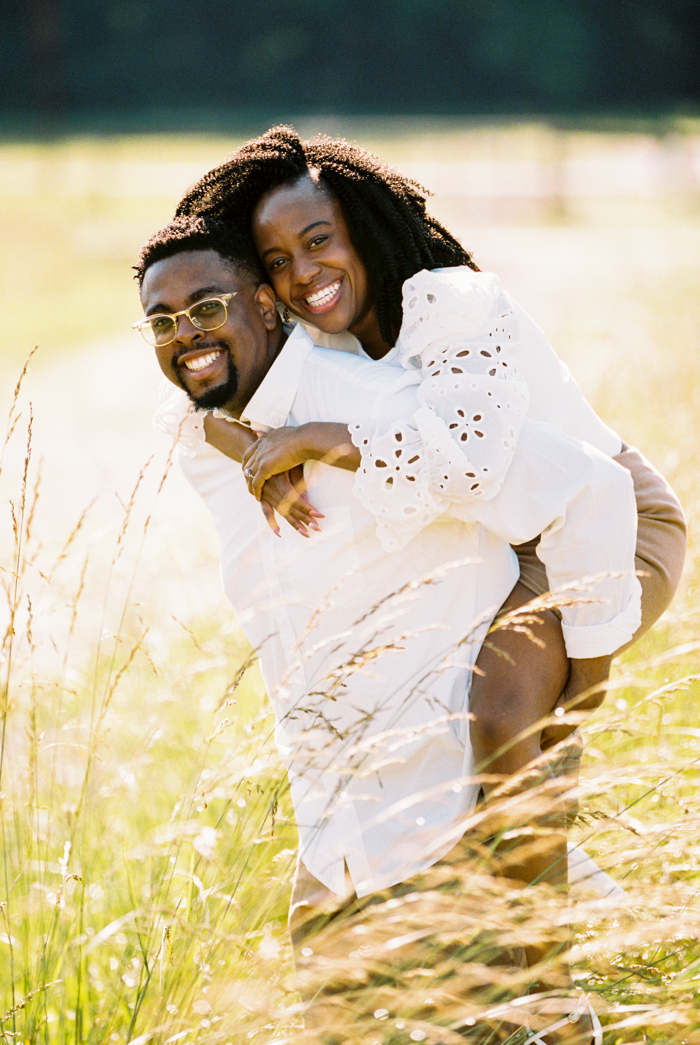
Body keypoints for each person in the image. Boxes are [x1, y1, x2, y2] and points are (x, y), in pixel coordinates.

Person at [135, 215, 642, 1043]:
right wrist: (243, 440)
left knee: (494, 1018)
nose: (184, 333)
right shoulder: (206, 434)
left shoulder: (380, 412)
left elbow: (592, 491)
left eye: (206, 306)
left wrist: (585, 674)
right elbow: (187, 413)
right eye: (161, 320)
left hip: (442, 811)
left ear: (267, 304)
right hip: (338, 818)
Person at [173, 125, 686, 821]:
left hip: (608, 522)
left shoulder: (454, 306)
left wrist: (314, 437)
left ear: (366, 227)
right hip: (508, 536)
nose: (302, 274)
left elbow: (466, 464)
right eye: (277, 260)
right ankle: (477, 906)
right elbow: (199, 400)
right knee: (435, 746)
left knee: (505, 721)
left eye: (319, 240)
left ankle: (541, 919)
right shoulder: (325, 330)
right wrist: (252, 448)